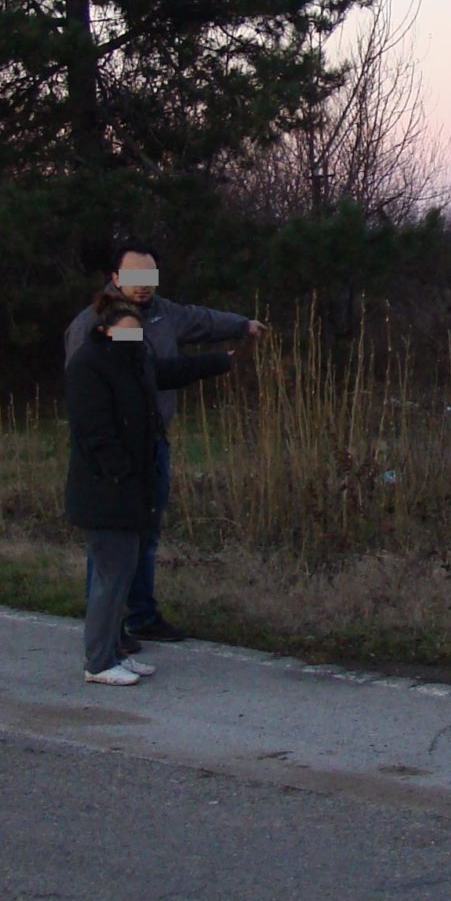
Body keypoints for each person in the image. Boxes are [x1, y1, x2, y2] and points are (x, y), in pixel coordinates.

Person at [62, 242, 266, 644]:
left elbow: (188, 336)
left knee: (145, 536)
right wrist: (112, 462)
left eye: (149, 277)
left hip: (152, 445)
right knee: (111, 547)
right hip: (113, 454)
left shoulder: (162, 314)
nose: (143, 285)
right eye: (134, 277)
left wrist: (239, 329)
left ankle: (140, 616)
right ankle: (106, 633)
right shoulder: (93, 328)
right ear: (115, 278)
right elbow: (87, 402)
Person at [63, 291, 234, 684]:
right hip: (105, 490)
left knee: (124, 574)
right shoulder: (87, 367)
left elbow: (169, 372)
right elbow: (94, 432)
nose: (133, 341)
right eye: (125, 334)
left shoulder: (134, 361)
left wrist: (219, 361)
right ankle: (98, 662)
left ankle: (113, 652)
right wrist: (122, 474)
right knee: (109, 578)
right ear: (105, 331)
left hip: (133, 486)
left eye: (137, 334)